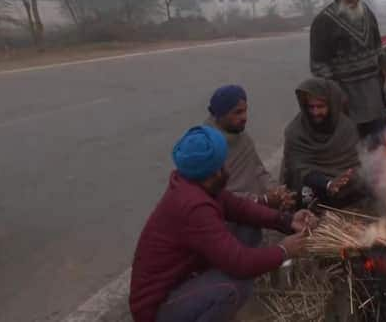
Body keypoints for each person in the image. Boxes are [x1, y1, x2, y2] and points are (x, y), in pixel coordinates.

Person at [129, 125, 317, 322]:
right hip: (158, 308)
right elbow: (240, 263)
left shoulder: (196, 183)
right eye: (223, 165)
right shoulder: (193, 207)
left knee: (248, 226)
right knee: (234, 288)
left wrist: (287, 221)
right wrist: (284, 250)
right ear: (214, 172)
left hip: (184, 279)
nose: (227, 169)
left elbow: (240, 208)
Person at [205, 85, 296, 246]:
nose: (245, 117)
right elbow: (218, 196)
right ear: (220, 115)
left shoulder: (241, 137)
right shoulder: (207, 146)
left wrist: (275, 190)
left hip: (251, 208)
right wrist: (264, 200)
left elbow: (258, 170)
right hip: (226, 218)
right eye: (237, 112)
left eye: (245, 111)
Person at [310, 0, 386, 141]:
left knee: (378, 142)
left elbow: (377, 45)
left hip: (373, 94)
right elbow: (319, 65)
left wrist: (383, 65)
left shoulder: (367, 12)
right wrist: (336, 94)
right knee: (352, 146)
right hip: (347, 97)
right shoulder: (324, 21)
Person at [282, 78, 373, 210]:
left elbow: (355, 163)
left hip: (344, 184)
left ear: (332, 106)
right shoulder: (295, 131)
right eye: (311, 107)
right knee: (304, 195)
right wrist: (328, 184)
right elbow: (298, 168)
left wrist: (344, 180)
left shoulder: (346, 128)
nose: (315, 112)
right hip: (313, 184)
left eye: (320, 107)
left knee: (369, 184)